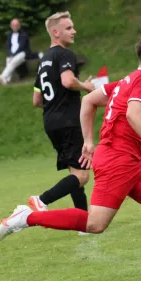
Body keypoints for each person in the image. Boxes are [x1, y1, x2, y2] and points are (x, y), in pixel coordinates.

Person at [0, 33, 141, 281]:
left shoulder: (126, 81)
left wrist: (88, 142)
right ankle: (26, 217)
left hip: (126, 160)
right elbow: (133, 114)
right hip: (119, 159)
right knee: (95, 224)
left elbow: (88, 101)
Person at [29, 12, 95, 227]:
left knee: (75, 172)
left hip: (51, 122)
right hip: (69, 121)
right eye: (68, 28)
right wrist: (86, 87)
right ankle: (41, 200)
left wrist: (56, 103)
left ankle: (84, 220)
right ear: (55, 33)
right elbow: (67, 81)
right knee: (83, 175)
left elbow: (36, 99)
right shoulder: (65, 54)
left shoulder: (43, 61)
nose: (74, 31)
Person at [0, 18, 41, 85]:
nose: (15, 26)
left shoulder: (24, 35)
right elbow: (8, 47)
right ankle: (5, 81)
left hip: (23, 54)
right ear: (11, 26)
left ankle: (2, 76)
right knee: (8, 60)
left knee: (12, 61)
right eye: (13, 25)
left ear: (19, 26)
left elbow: (21, 47)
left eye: (16, 25)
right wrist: (10, 55)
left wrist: (13, 56)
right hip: (12, 55)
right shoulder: (9, 35)